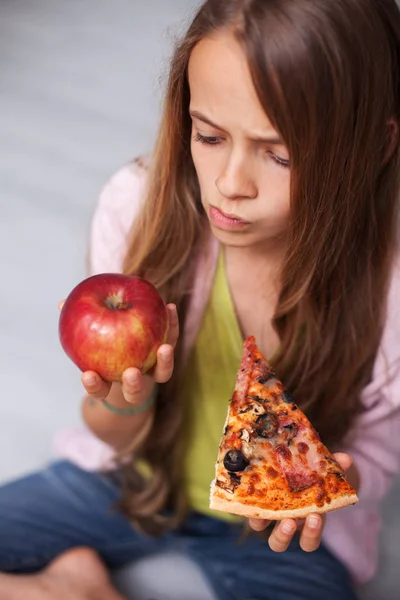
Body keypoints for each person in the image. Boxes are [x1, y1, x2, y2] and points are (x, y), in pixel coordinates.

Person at [1, 0, 400, 598]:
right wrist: (125, 402)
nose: (230, 184)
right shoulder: (135, 210)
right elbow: (108, 430)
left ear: (374, 145)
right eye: (209, 136)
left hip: (275, 534)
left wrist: (337, 477)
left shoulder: (389, 285)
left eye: (280, 154)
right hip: (125, 478)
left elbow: (379, 441)